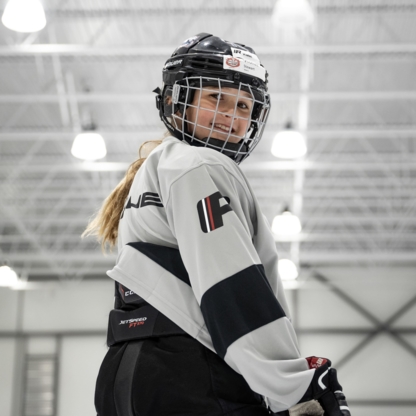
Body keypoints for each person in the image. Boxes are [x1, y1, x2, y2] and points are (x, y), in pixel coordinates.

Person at [85, 33, 351, 416]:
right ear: (179, 102)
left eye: (244, 105)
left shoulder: (159, 168)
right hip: (190, 373)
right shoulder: (200, 166)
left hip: (125, 374)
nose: (231, 115)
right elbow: (229, 286)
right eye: (216, 98)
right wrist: (296, 387)